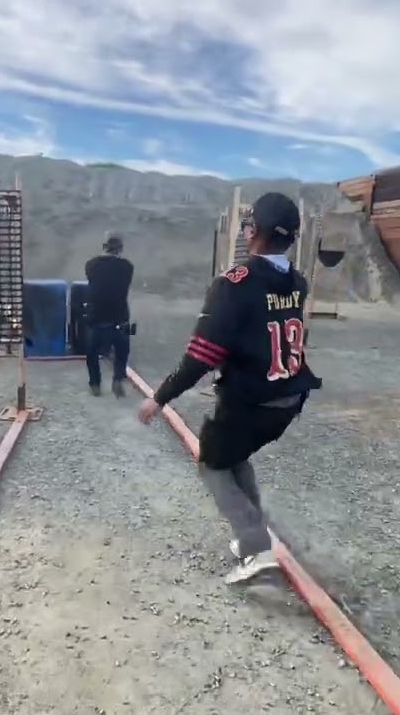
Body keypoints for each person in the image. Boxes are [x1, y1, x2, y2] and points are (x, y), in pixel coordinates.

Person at [137, 192, 321, 585]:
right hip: (288, 399)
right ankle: (254, 536)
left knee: (212, 464)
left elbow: (200, 357)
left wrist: (159, 397)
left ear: (253, 230)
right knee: (234, 456)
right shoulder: (299, 281)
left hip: (251, 400)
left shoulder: (234, 284)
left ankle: (255, 547)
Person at [84, 232, 135, 397]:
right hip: (119, 316)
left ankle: (95, 384)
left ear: (104, 247)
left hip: (96, 316)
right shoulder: (128, 267)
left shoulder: (91, 265)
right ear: (120, 249)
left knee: (91, 352)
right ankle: (118, 378)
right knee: (122, 350)